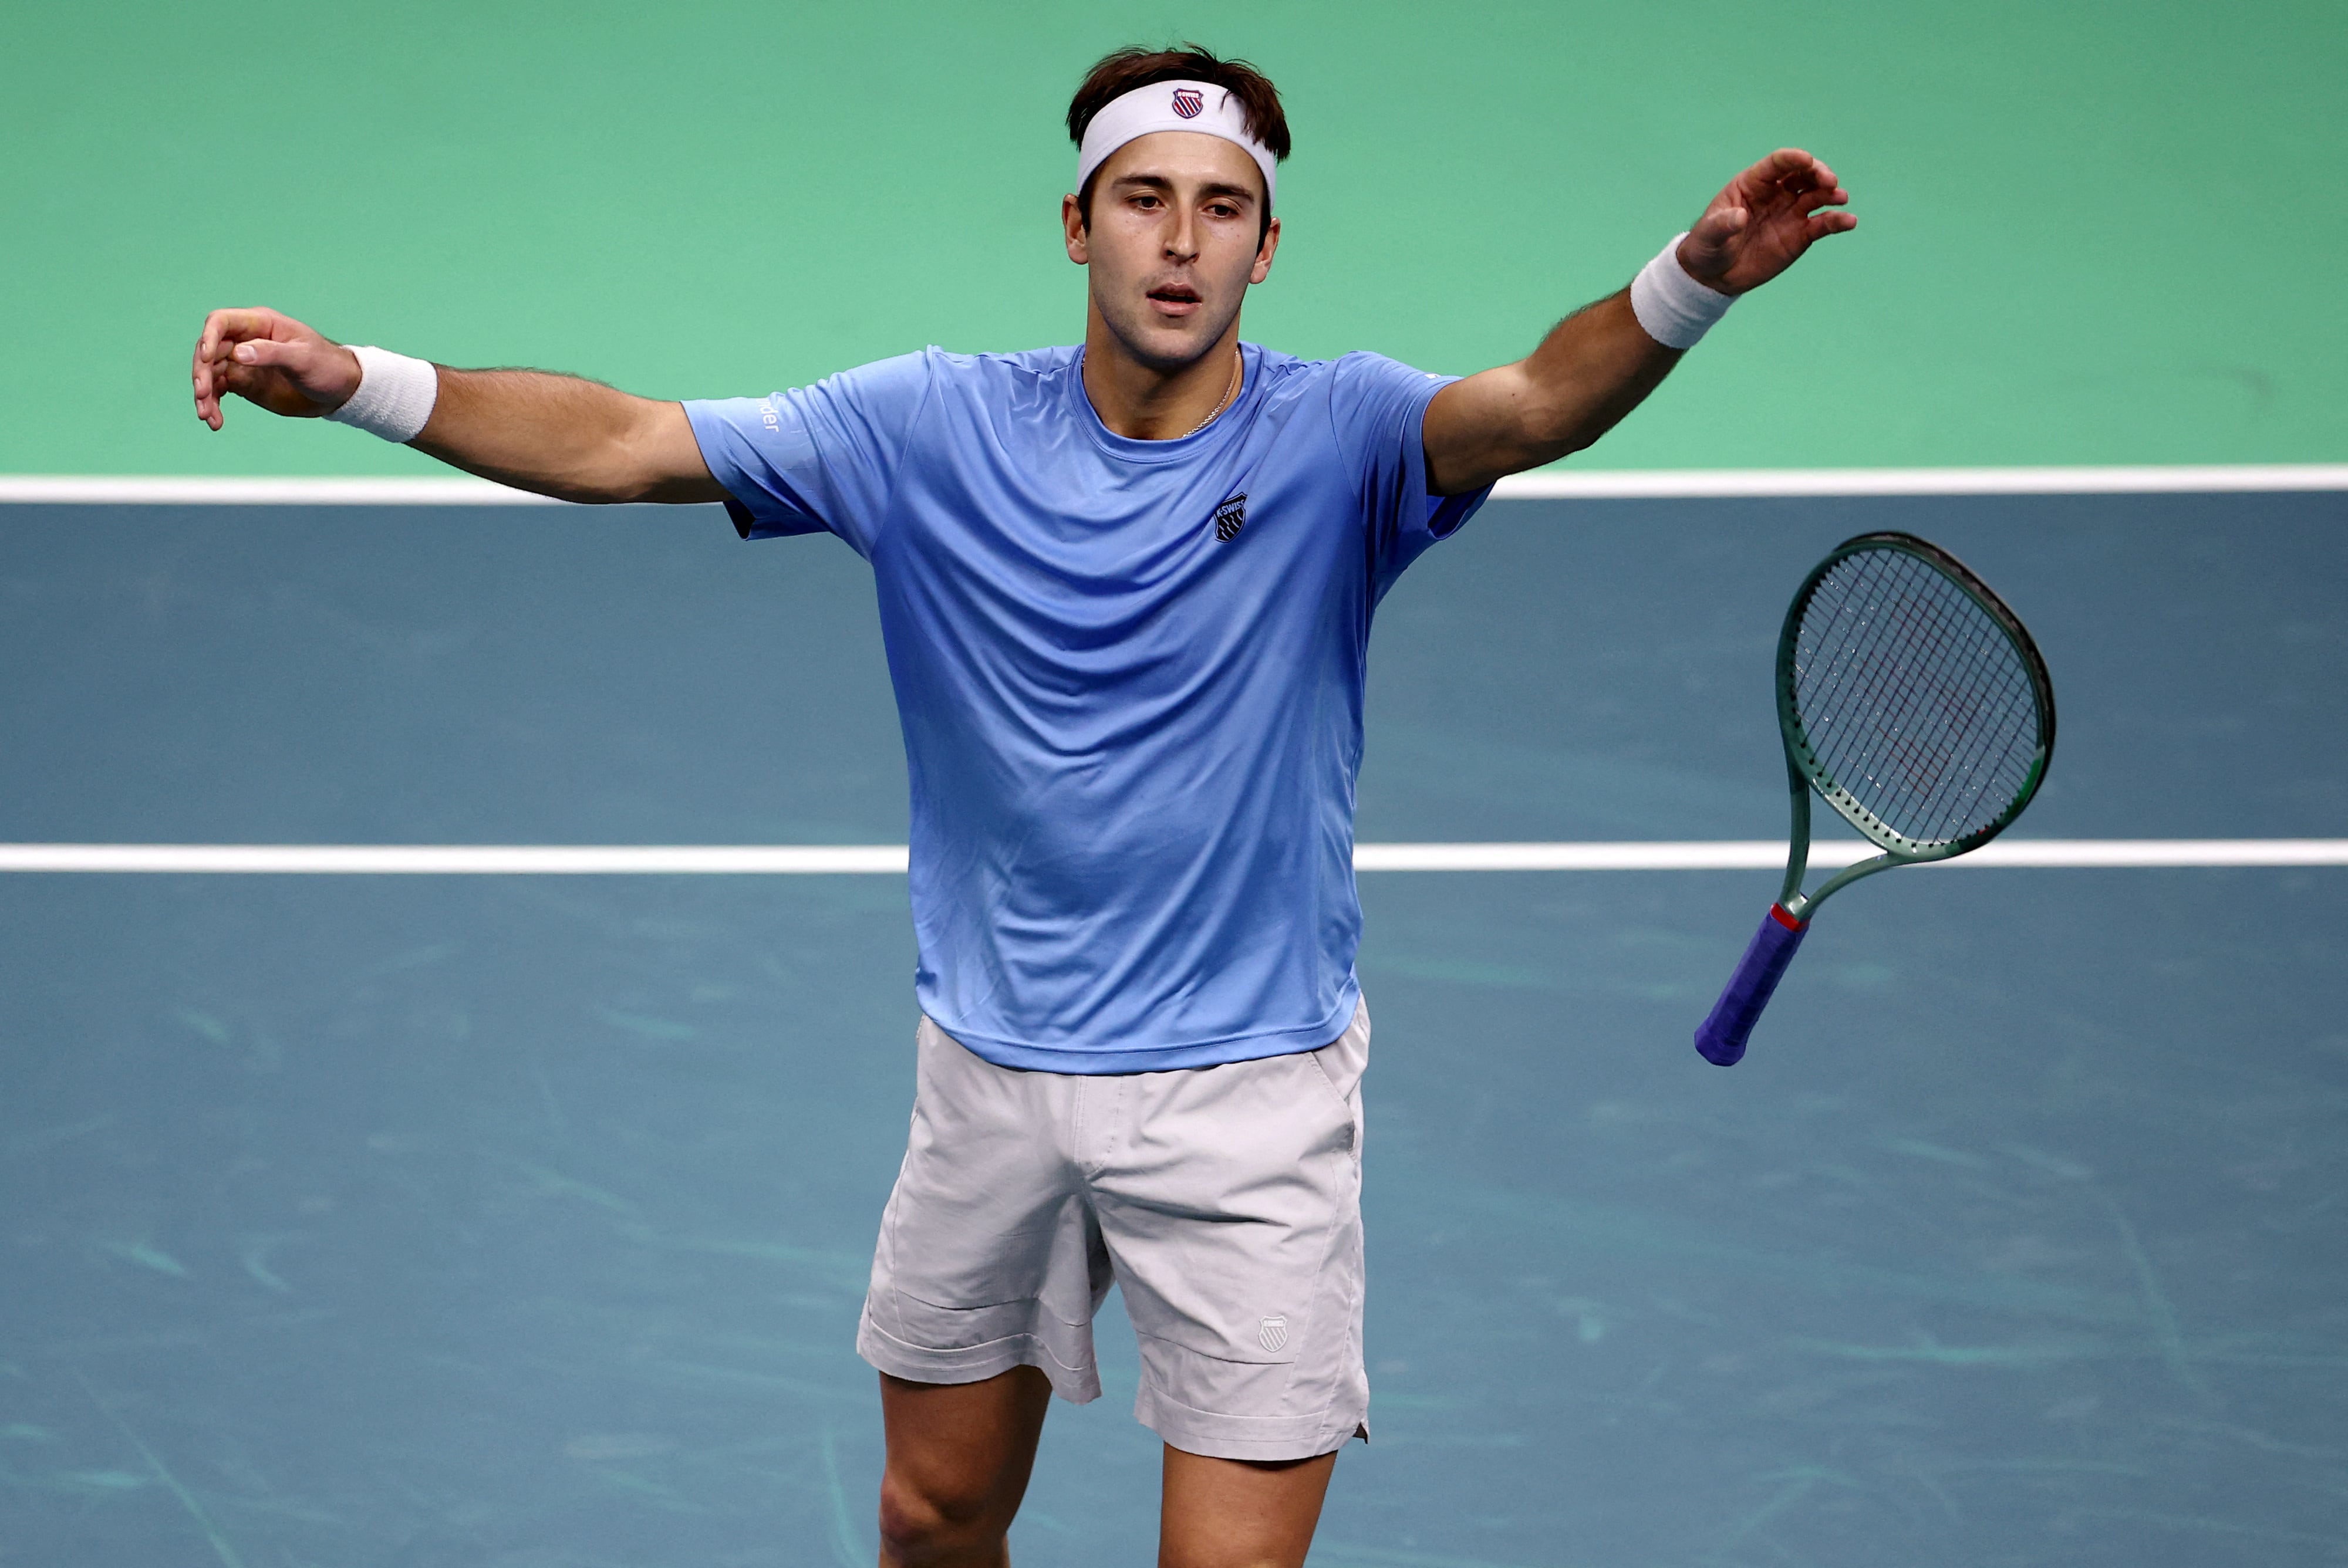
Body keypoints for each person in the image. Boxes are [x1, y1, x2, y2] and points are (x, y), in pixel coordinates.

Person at [189, 43, 1854, 1568]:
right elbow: (631, 441)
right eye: (1147, 201)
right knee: (932, 1516)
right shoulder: (927, 426)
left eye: (1223, 210)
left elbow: (1536, 402)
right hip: (994, 1073)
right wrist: (355, 383)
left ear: (1266, 250)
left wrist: (1691, 281)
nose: (1182, 241)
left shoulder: (1344, 435)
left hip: (1250, 1096)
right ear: (1080, 225)